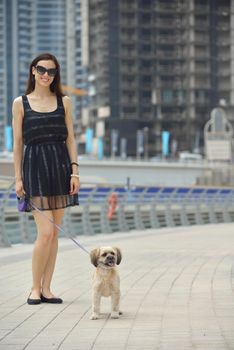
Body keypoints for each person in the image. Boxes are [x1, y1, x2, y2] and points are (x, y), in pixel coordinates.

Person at [12, 53, 80, 305]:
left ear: (55, 75)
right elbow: (18, 144)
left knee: (54, 235)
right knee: (46, 232)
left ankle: (48, 288)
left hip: (61, 168)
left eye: (51, 72)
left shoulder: (64, 101)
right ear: (33, 71)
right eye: (41, 70)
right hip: (35, 168)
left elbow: (70, 139)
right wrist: (18, 178)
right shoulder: (20, 103)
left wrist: (75, 171)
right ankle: (34, 288)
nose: (45, 75)